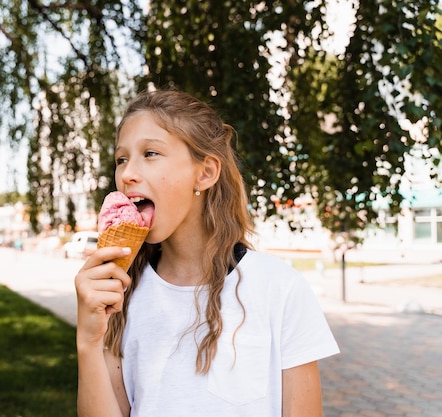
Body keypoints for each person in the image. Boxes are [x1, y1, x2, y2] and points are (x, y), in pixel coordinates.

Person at [74, 89, 339, 417]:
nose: (126, 174)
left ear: (206, 173)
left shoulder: (279, 288)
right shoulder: (121, 295)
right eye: (121, 159)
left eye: (151, 153)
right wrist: (88, 341)